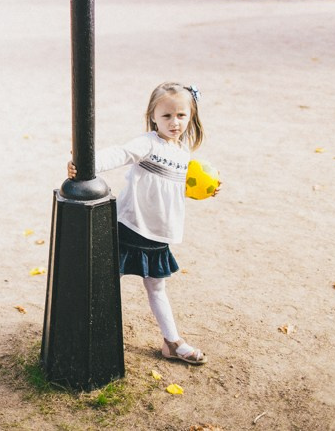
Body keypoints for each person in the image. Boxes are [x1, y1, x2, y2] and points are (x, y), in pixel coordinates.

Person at [67, 82, 220, 365]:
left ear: (191, 116)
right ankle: (82, 334)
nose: (174, 122)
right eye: (167, 116)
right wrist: (86, 163)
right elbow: (121, 153)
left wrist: (204, 190)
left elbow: (171, 188)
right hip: (129, 227)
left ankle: (171, 342)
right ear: (153, 116)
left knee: (157, 289)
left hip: (159, 234)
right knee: (105, 282)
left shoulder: (184, 153)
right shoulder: (148, 143)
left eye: (181, 115)